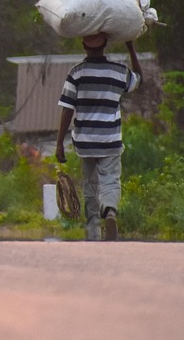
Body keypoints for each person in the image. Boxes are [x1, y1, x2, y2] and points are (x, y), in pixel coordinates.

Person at [55, 32, 142, 241]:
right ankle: (110, 210)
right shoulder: (119, 72)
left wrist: (59, 144)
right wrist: (131, 47)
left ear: (84, 46)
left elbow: (67, 110)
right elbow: (138, 79)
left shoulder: (76, 73)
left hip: (85, 141)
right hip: (110, 139)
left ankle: (93, 231)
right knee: (110, 180)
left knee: (90, 185)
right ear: (106, 45)